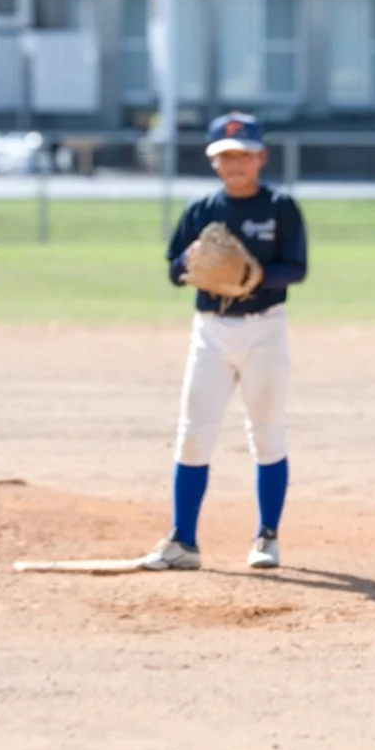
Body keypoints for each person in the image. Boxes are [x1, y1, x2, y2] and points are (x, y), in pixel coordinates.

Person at [143, 111, 309, 572]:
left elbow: (297, 268)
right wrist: (188, 261)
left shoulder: (280, 208)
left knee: (267, 432)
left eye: (244, 154)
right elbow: (175, 271)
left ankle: (267, 537)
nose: (235, 163)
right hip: (211, 331)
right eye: (225, 156)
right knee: (194, 433)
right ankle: (183, 541)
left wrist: (252, 275)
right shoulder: (201, 211)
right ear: (213, 162)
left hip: (265, 329)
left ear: (261, 157)